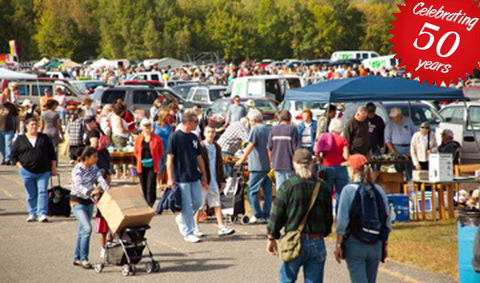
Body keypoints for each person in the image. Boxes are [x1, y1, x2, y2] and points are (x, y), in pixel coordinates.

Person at [266, 149, 333, 283]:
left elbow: (277, 215)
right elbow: (328, 217)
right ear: (312, 164)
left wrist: (271, 236)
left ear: (294, 164)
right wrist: (323, 232)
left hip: (293, 240)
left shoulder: (287, 186)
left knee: (287, 280)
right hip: (317, 240)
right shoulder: (323, 186)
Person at [334, 154, 391, 283]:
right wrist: (384, 244)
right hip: (376, 244)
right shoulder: (378, 190)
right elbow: (386, 219)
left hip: (355, 244)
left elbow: (342, 221)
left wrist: (338, 244)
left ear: (353, 170)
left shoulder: (348, 190)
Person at [167, 111, 208, 243]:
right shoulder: (175, 137)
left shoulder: (194, 137)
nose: (197, 124)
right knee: (186, 205)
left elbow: (199, 157)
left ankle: (182, 218)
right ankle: (188, 232)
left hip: (194, 175)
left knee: (197, 202)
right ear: (188, 122)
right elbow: (169, 159)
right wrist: (170, 177)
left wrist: (204, 175)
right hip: (181, 177)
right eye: (195, 122)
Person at [11, 117, 57, 223]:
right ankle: (32, 212)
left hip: (43, 171)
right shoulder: (20, 139)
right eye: (32, 124)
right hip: (26, 170)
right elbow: (14, 155)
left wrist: (53, 168)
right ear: (26, 126)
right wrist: (19, 166)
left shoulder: (44, 138)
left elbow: (52, 154)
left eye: (36, 124)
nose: (34, 127)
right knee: (31, 193)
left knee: (42, 191)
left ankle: (42, 213)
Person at [70, 147, 110, 269]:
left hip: (89, 202)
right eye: (94, 157)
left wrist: (108, 190)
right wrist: (90, 192)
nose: (97, 158)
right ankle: (84, 259)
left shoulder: (94, 168)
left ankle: (76, 258)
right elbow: (78, 185)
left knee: (82, 230)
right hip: (77, 202)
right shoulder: (78, 169)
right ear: (87, 158)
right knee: (87, 228)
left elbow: (100, 180)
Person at [194, 125, 235, 237]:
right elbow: (197, 163)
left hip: (214, 180)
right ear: (204, 133)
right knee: (200, 205)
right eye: (208, 132)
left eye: (213, 132)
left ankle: (221, 226)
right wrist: (202, 178)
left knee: (217, 203)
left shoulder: (217, 147)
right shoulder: (201, 146)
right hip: (203, 180)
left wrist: (222, 179)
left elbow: (219, 164)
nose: (211, 134)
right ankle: (195, 226)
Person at [236, 110, 272, 224]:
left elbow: (251, 144)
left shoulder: (255, 129)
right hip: (267, 165)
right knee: (267, 191)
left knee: (251, 190)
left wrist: (242, 159)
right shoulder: (268, 129)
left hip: (257, 165)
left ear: (253, 120)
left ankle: (257, 214)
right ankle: (266, 214)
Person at [314, 118, 350, 211]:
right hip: (340, 168)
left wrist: (320, 159)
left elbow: (316, 151)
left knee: (327, 193)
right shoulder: (343, 140)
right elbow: (346, 156)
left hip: (327, 167)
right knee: (341, 193)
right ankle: (339, 214)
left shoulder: (325, 137)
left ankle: (327, 213)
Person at [268, 110, 300, 190]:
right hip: (290, 164)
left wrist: (271, 162)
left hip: (277, 164)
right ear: (290, 118)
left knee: (280, 189)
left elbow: (269, 149)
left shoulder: (273, 129)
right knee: (291, 188)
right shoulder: (293, 129)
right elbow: (296, 149)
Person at [134, 119, 163, 207]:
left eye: (149, 125)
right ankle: (146, 202)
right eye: (145, 125)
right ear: (141, 127)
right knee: (144, 185)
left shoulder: (156, 138)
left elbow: (160, 152)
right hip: (141, 164)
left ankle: (149, 204)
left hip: (152, 165)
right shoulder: (138, 138)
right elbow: (135, 152)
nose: (147, 127)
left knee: (151, 185)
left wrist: (156, 159)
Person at [385, 107, 416, 181]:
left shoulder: (408, 121)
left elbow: (414, 136)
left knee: (410, 169)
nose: (393, 118)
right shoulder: (390, 124)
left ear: (399, 115)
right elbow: (387, 140)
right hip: (396, 148)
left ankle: (410, 184)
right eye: (392, 117)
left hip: (408, 147)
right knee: (399, 170)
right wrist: (393, 151)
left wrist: (412, 150)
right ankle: (400, 185)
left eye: (394, 116)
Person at [153, 109, 172, 187]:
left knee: (165, 165)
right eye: (167, 115)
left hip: (166, 147)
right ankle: (157, 182)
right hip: (157, 148)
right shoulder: (155, 125)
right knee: (159, 166)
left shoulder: (169, 126)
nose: (169, 117)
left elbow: (170, 137)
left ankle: (161, 182)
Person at [365, 103, 385, 170]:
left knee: (376, 167)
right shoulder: (363, 119)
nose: (370, 115)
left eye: (372, 113)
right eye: (369, 113)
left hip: (376, 147)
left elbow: (382, 133)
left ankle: (375, 178)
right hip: (365, 148)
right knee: (365, 167)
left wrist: (380, 145)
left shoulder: (379, 120)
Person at [0, 91, 18, 165]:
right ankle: (4, 157)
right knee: (1, 145)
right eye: (0, 98)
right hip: (0, 129)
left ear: (6, 98)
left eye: (3, 98)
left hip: (9, 128)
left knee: (8, 144)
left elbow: (16, 116)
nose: (1, 99)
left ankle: (7, 159)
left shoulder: (11, 106)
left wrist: (17, 126)